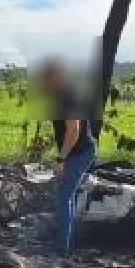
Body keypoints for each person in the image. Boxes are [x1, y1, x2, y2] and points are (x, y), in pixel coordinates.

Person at [38, 58, 97, 257]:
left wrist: (61, 159)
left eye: (46, 79)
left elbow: (73, 131)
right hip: (76, 151)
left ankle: (62, 248)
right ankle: (65, 241)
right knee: (66, 196)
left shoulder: (68, 97)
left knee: (64, 197)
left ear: (56, 77)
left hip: (80, 153)